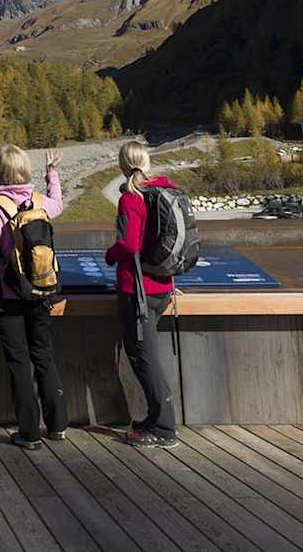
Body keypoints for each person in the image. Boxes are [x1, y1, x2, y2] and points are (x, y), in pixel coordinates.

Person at [0, 144, 69, 450]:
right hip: (41, 291)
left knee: (19, 361)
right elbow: (58, 203)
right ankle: (57, 424)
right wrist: (52, 174)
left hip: (8, 295)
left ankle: (29, 432)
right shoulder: (40, 202)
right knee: (43, 355)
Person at [104, 140, 181, 448]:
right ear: (147, 163)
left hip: (136, 290)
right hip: (163, 286)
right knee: (146, 355)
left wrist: (110, 254)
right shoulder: (164, 190)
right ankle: (154, 419)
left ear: (123, 165)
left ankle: (163, 427)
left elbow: (130, 245)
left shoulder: (131, 198)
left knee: (144, 358)